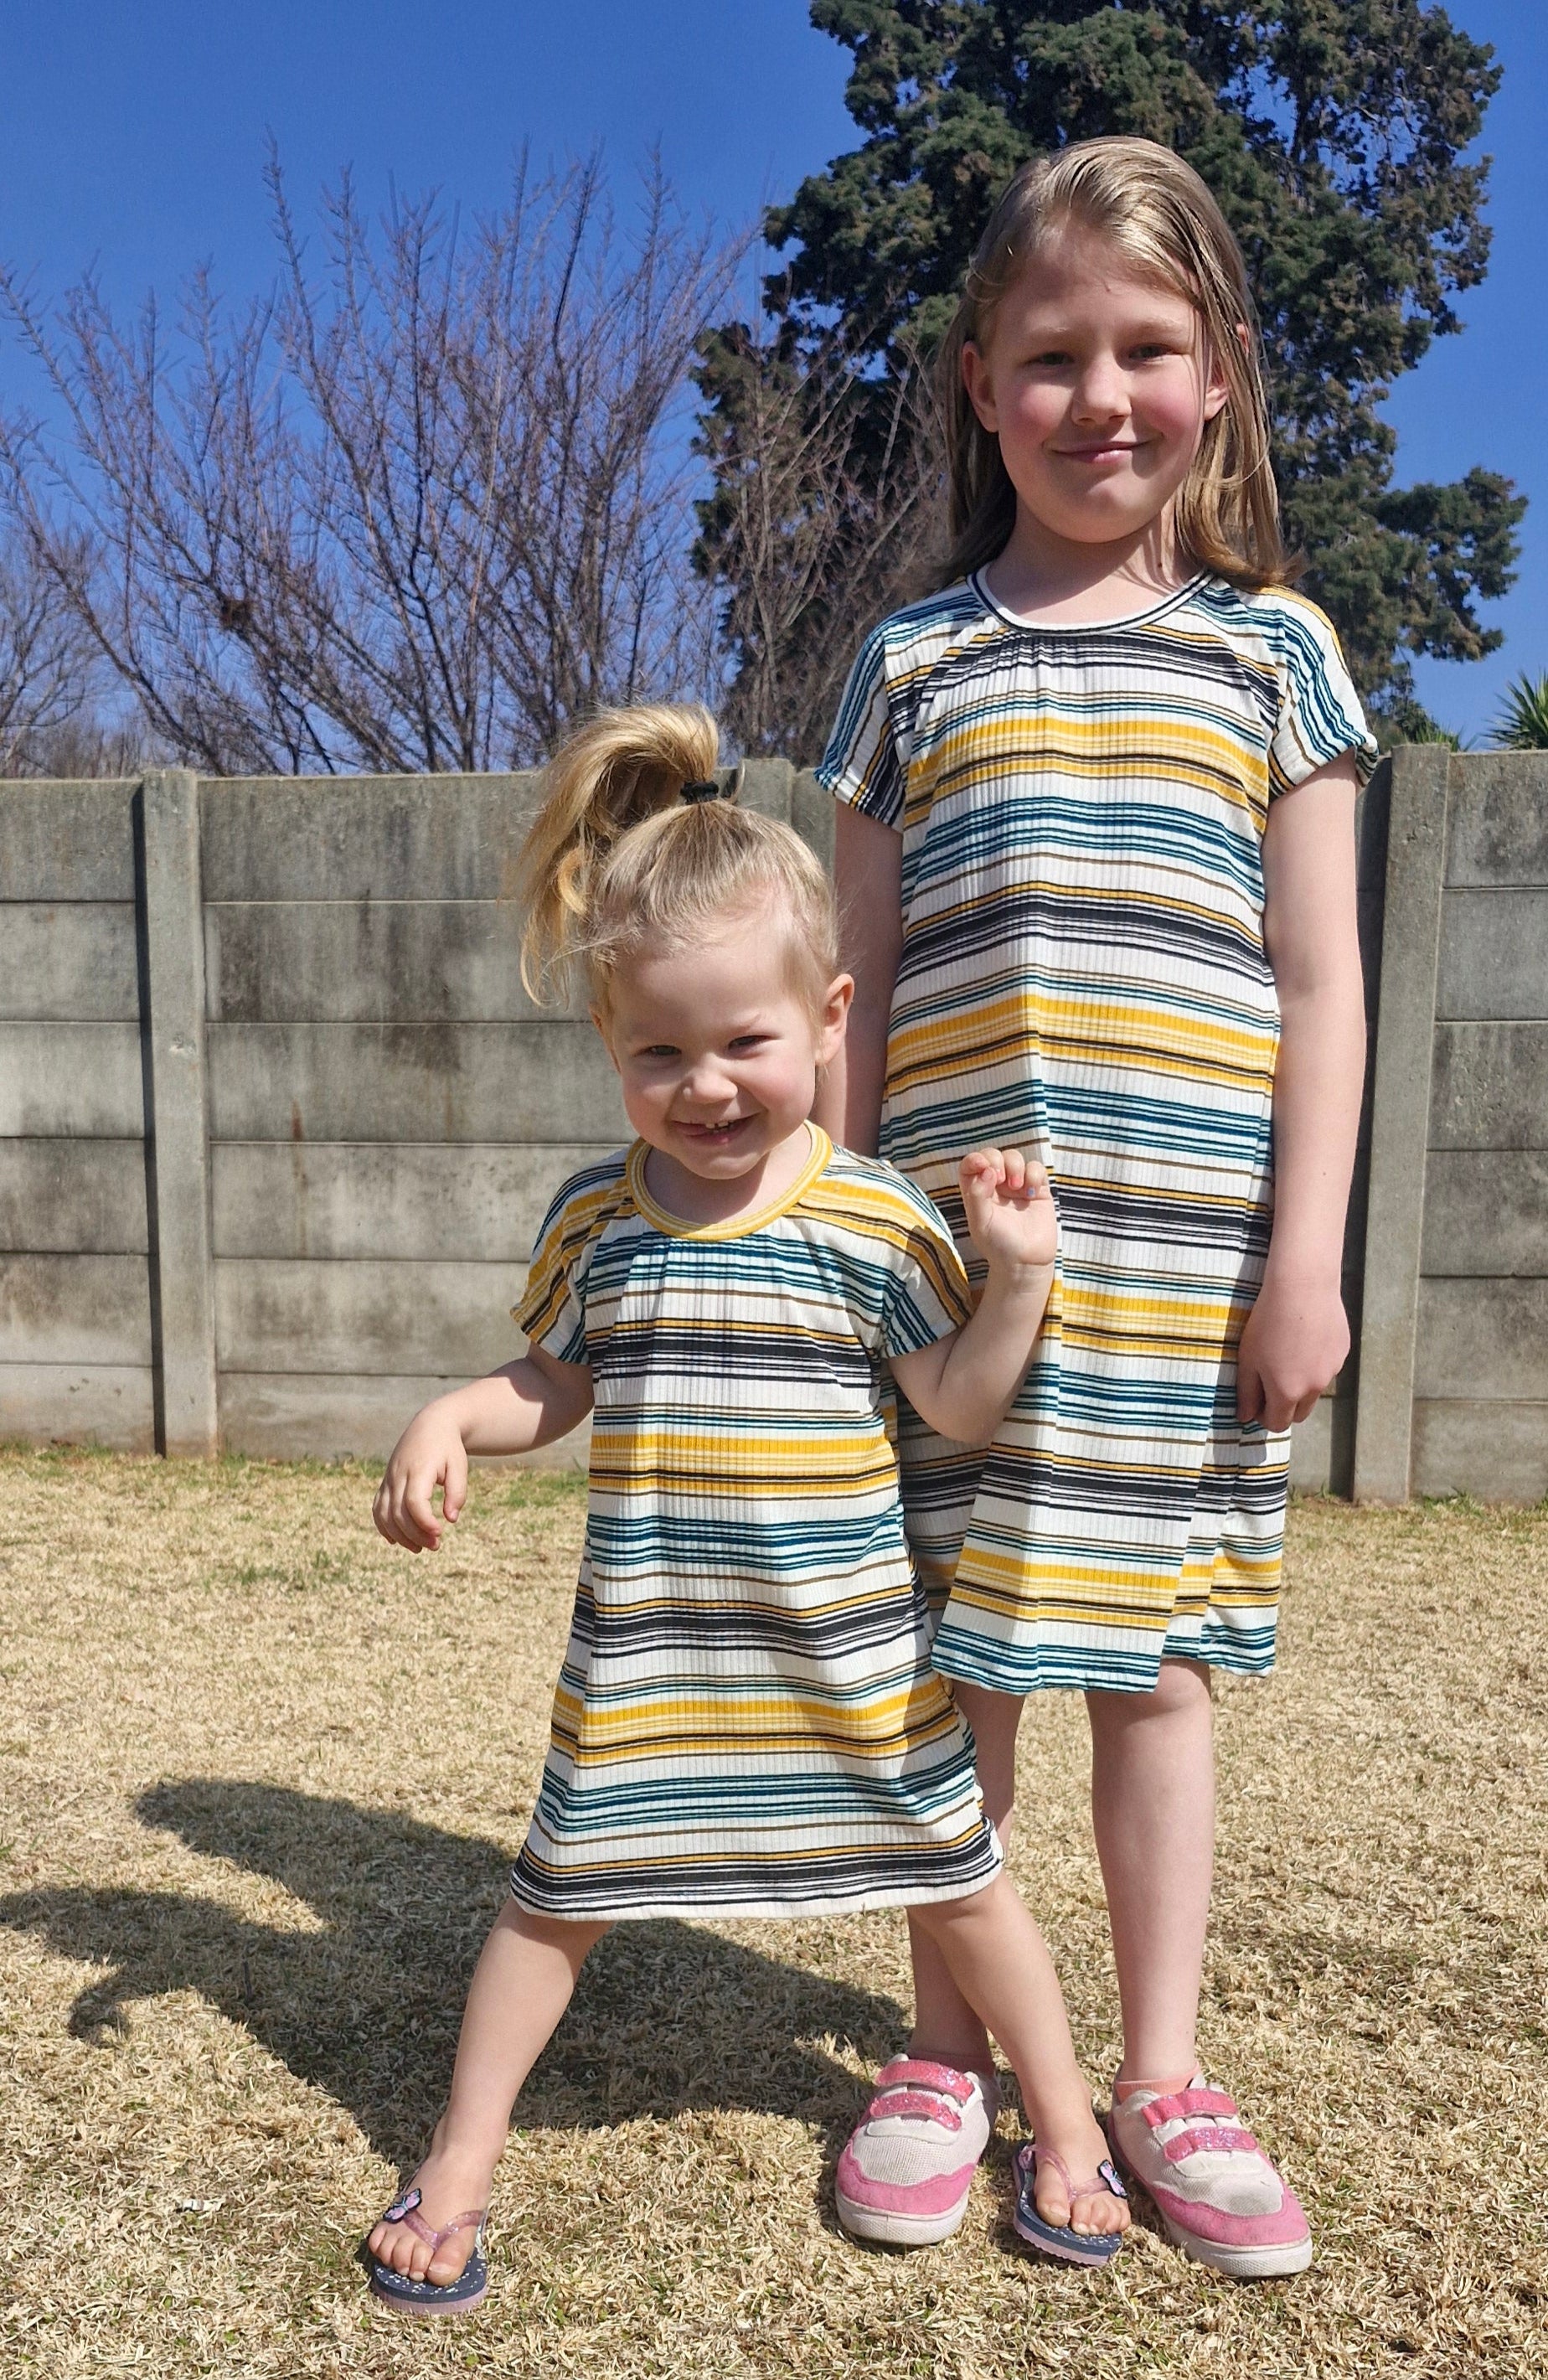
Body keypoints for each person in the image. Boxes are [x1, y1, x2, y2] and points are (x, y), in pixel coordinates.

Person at [363, 705, 1130, 2315]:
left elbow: (957, 1404)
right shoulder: (598, 1220)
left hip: (851, 1663)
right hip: (649, 1667)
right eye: (660, 1052)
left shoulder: (874, 1219)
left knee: (965, 1879)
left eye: (745, 1044)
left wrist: (1017, 1280)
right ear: (610, 1038)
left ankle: (1067, 2129)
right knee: (551, 1900)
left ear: (831, 1016)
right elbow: (552, 1382)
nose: (704, 1086)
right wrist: (450, 1414)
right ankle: (461, 2155)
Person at [813, 137, 1374, 2281]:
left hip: (1190, 1284)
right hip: (963, 1293)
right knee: (960, 1661)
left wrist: (1305, 1259)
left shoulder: (1276, 656)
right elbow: (854, 996)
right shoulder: (907, 667)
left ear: (1218, 372)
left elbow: (1322, 984)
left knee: (1155, 1671)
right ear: (980, 383)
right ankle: (941, 2046)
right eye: (1051, 354)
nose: (1100, 395)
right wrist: (842, 1250)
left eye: (1148, 347)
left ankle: (1162, 2067)